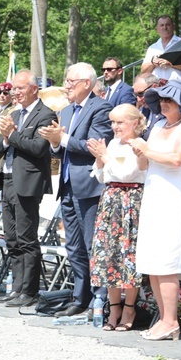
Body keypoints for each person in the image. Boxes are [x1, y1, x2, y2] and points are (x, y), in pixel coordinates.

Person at [129, 79, 181, 341]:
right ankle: (163, 318)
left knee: (168, 263)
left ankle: (172, 320)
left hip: (174, 198)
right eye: (160, 99)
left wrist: (147, 149)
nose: (163, 104)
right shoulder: (159, 124)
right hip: (154, 194)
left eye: (169, 100)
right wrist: (139, 150)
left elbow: (177, 159)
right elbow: (145, 162)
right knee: (153, 262)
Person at [38, 62, 113, 316]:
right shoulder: (67, 111)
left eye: (71, 81)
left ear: (86, 84)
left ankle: (99, 300)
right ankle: (80, 297)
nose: (66, 85)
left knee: (92, 245)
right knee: (73, 246)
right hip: (68, 184)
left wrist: (63, 139)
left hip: (89, 186)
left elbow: (94, 145)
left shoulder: (101, 108)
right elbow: (60, 149)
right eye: (66, 80)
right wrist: (55, 144)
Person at [0, 70, 56, 307]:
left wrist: (12, 134)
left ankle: (29, 290)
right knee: (11, 237)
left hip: (27, 182)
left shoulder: (46, 114)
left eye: (20, 88)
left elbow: (39, 148)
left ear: (33, 89)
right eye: (13, 89)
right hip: (7, 178)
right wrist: (5, 138)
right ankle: (17, 287)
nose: (15, 93)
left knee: (26, 237)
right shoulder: (15, 113)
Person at [87, 104, 147, 331]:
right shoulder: (112, 144)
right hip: (111, 200)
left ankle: (129, 307)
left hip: (130, 200)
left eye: (120, 122)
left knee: (128, 256)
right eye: (113, 122)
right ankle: (114, 309)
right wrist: (101, 159)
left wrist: (105, 157)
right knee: (109, 256)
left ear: (134, 123)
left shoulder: (139, 145)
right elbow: (102, 176)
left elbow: (127, 173)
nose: (115, 127)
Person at [140, 15, 181, 84]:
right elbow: (143, 71)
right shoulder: (152, 48)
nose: (165, 27)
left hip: (176, 86)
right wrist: (152, 63)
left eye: (168, 25)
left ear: (173, 26)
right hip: (156, 87)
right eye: (162, 25)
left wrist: (171, 63)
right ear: (157, 29)